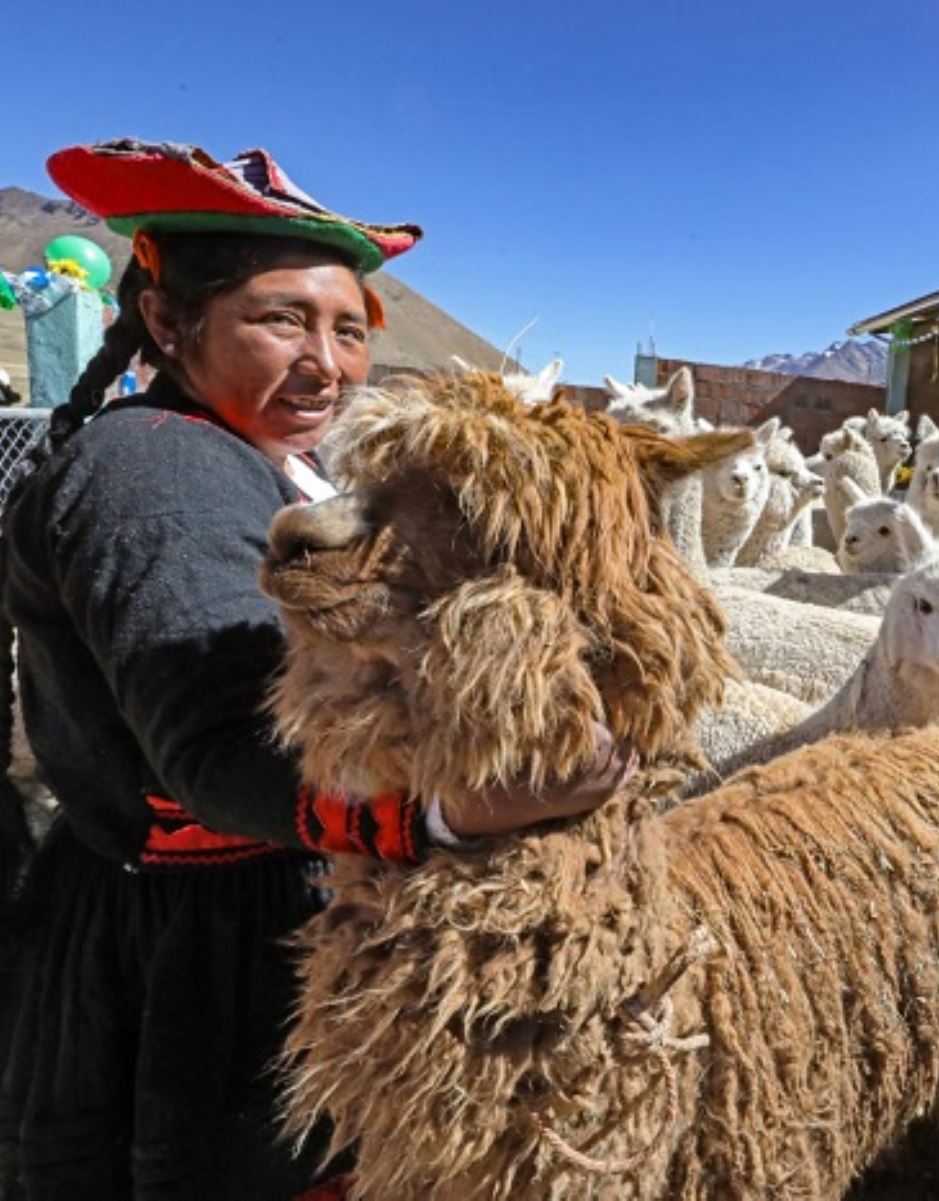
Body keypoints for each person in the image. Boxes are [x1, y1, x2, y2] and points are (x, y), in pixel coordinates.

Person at [0, 140, 636, 1200]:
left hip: (254, 907)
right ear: (168, 323)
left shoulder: (263, 458)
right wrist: (447, 816)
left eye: (348, 330)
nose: (327, 363)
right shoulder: (154, 468)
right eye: (282, 319)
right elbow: (218, 747)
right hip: (193, 964)